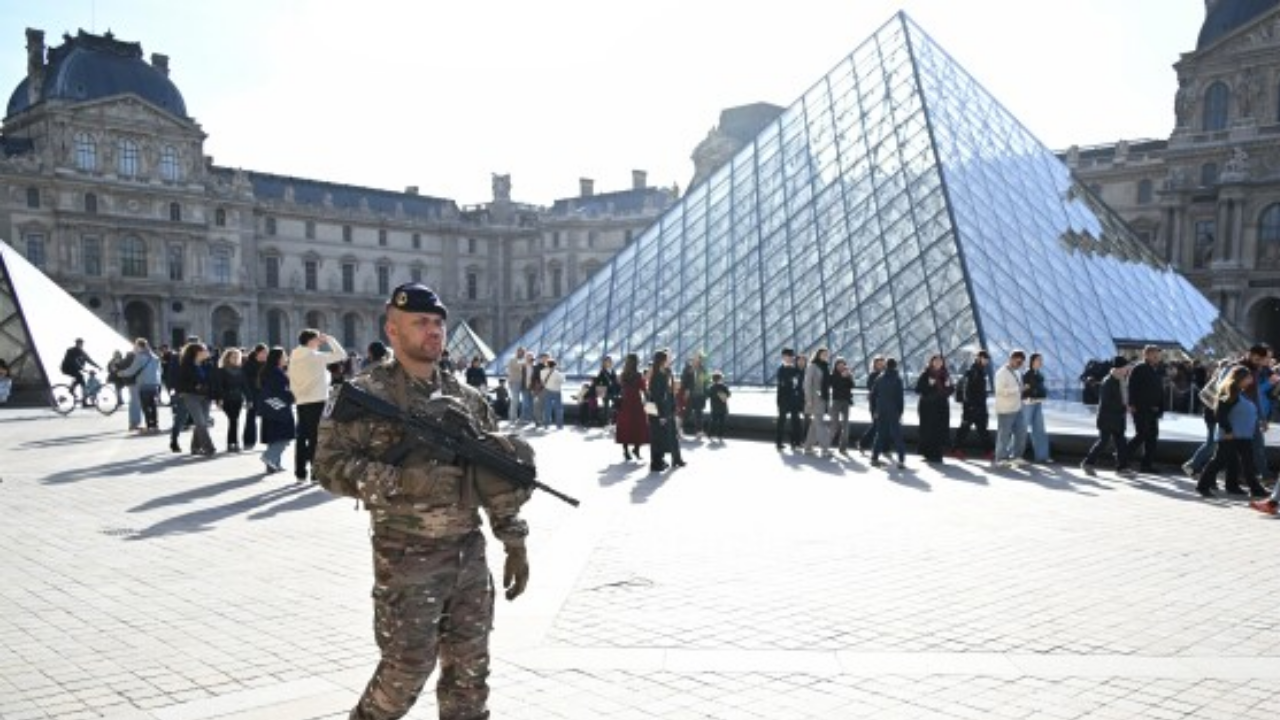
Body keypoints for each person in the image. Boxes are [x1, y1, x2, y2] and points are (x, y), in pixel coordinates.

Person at [314, 283, 532, 720]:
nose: (433, 332)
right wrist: (403, 480)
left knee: (469, 677)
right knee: (404, 673)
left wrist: (514, 540)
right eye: (420, 323)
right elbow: (327, 467)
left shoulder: (467, 400)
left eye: (437, 323)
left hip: (468, 557)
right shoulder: (365, 395)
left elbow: (493, 475)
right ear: (393, 331)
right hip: (406, 559)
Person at [1198, 365, 1267, 498]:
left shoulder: (1240, 392)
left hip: (1243, 435)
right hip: (1231, 435)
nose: (1251, 380)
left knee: (1246, 462)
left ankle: (1253, 488)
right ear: (1240, 378)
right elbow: (1221, 413)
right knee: (1219, 460)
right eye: (1248, 377)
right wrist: (1228, 430)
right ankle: (1202, 486)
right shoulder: (1230, 391)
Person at [288, 329, 346, 482]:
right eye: (318, 340)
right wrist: (330, 339)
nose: (320, 343)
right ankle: (315, 472)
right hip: (318, 400)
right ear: (311, 341)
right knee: (316, 438)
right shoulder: (315, 357)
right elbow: (341, 354)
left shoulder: (294, 356)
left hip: (301, 401)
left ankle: (300, 472)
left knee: (301, 437)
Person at [1081, 357, 1134, 477]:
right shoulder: (1108, 382)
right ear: (1119, 369)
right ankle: (1088, 462)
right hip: (1107, 418)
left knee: (1121, 442)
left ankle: (1122, 467)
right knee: (1103, 442)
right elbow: (1106, 402)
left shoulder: (1120, 380)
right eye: (1126, 368)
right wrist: (1123, 407)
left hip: (1118, 418)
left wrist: (1125, 407)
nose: (1127, 371)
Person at [1125, 345, 1164, 473]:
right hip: (1141, 408)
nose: (1157, 357)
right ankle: (1122, 456)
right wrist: (1131, 404)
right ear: (1146, 355)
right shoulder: (1139, 368)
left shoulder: (1155, 369)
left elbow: (1159, 390)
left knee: (1152, 437)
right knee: (1142, 434)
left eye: (1158, 355)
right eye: (1154, 355)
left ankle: (1146, 465)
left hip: (1153, 409)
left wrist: (1161, 407)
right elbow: (1131, 387)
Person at [175, 342, 216, 457]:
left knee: (203, 422)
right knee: (201, 422)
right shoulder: (185, 365)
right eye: (204, 350)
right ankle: (209, 448)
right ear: (197, 353)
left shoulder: (208, 364)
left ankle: (195, 447)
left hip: (206, 396)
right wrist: (194, 386)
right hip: (191, 396)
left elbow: (213, 379)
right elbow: (180, 383)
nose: (207, 352)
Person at [258, 347, 294, 474]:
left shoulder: (268, 370)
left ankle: (274, 465)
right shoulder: (276, 373)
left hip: (270, 407)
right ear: (278, 358)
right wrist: (292, 396)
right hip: (279, 407)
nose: (286, 358)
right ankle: (269, 456)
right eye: (284, 356)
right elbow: (281, 391)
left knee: (274, 436)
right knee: (285, 435)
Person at [649, 349, 686, 472]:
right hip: (659, 411)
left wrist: (674, 406)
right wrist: (661, 415)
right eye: (667, 359)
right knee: (658, 437)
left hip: (667, 408)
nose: (669, 360)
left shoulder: (666, 373)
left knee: (671, 435)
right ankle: (657, 462)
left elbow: (670, 392)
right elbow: (658, 397)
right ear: (662, 361)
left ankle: (675, 459)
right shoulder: (656, 376)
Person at [951, 350, 993, 460]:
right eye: (984, 359)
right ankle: (956, 449)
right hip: (972, 406)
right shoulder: (972, 371)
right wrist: (970, 405)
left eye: (987, 359)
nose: (986, 361)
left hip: (978, 405)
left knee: (981, 429)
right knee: (965, 429)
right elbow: (968, 390)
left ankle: (988, 451)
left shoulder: (980, 371)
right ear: (979, 358)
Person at [914, 354, 953, 463]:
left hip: (941, 406)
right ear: (931, 362)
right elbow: (918, 389)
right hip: (928, 406)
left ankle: (938, 453)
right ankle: (928, 453)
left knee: (940, 429)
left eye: (940, 361)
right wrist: (929, 385)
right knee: (928, 429)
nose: (938, 363)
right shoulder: (925, 374)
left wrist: (948, 388)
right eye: (936, 361)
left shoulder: (945, 374)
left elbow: (951, 389)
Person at [118, 339, 162, 433]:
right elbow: (159, 372)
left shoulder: (140, 357)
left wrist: (121, 373)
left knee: (146, 406)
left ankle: (149, 426)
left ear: (139, 346)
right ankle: (155, 425)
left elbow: (132, 370)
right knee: (153, 405)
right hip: (154, 384)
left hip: (144, 384)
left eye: (136, 346)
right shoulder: (154, 357)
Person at [870, 357, 906, 469]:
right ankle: (901, 460)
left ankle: (874, 457)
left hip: (881, 410)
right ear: (896, 366)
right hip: (893, 410)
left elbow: (873, 395)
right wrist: (900, 412)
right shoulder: (897, 379)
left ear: (886, 365)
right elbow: (900, 398)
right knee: (897, 436)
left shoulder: (879, 378)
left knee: (880, 435)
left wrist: (875, 409)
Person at [992, 350, 1027, 467]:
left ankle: (1017, 456)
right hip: (1005, 409)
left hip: (1017, 408)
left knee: (1021, 433)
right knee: (1004, 435)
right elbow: (1000, 391)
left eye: (1021, 363)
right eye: (1018, 362)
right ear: (1011, 359)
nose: (1020, 365)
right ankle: (1001, 458)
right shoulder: (1001, 373)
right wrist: (1018, 389)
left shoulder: (1017, 372)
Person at [615, 352, 650, 462]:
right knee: (639, 425)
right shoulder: (638, 375)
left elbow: (620, 387)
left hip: (625, 403)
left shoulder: (623, 374)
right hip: (636, 403)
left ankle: (626, 451)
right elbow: (643, 389)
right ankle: (636, 449)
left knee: (625, 426)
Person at [1020, 353, 1052, 463]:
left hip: (1037, 402)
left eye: (1041, 360)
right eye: (1039, 360)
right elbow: (1024, 389)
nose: (1041, 362)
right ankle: (1014, 454)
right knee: (1022, 429)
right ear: (1032, 361)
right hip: (1028, 403)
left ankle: (1042, 456)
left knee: (1039, 429)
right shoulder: (1027, 374)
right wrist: (1026, 398)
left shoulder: (1039, 374)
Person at [213, 348, 247, 453]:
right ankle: (233, 443)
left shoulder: (241, 370)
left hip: (238, 399)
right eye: (233, 356)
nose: (236, 358)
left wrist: (249, 398)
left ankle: (232, 443)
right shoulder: (221, 371)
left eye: (237, 356)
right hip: (226, 399)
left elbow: (245, 386)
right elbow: (218, 386)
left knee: (234, 420)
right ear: (227, 358)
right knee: (233, 420)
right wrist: (219, 399)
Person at [803, 347, 833, 456]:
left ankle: (807, 447)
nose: (825, 356)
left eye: (827, 354)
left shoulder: (826, 367)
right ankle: (825, 448)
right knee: (819, 423)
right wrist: (809, 400)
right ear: (818, 355)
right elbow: (807, 384)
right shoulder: (812, 366)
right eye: (823, 354)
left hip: (823, 399)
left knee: (815, 424)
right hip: (814, 399)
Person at [774, 348, 803, 451]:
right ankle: (778, 443)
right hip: (783, 399)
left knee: (796, 421)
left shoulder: (796, 369)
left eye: (791, 357)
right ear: (783, 357)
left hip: (794, 399)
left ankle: (795, 442)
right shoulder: (780, 369)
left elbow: (799, 383)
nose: (790, 358)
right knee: (781, 421)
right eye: (788, 356)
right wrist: (791, 380)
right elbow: (782, 383)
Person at [241, 344, 268, 450]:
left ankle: (266, 439)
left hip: (265, 394)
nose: (266, 355)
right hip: (252, 394)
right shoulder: (248, 364)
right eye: (264, 353)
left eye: (267, 353)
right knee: (251, 417)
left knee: (267, 417)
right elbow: (245, 383)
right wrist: (248, 397)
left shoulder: (267, 364)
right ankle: (249, 440)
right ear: (257, 353)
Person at [828, 357, 855, 454]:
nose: (841, 366)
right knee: (834, 425)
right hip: (836, 401)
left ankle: (843, 447)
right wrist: (841, 377)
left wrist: (848, 377)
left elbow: (852, 385)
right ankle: (826, 445)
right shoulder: (832, 375)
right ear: (835, 366)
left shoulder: (848, 374)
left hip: (846, 402)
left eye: (842, 364)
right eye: (839, 365)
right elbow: (833, 385)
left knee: (846, 425)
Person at [859, 356, 885, 454]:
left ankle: (882, 447)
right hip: (875, 404)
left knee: (880, 425)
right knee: (876, 425)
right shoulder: (873, 375)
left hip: (884, 404)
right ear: (874, 364)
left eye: (882, 363)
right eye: (879, 363)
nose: (881, 365)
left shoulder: (886, 374)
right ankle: (863, 443)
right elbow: (870, 388)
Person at [680, 352, 710, 438]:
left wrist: (706, 394)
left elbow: (706, 381)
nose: (697, 359)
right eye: (696, 357)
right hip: (690, 394)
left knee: (699, 413)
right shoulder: (688, 368)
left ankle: (699, 431)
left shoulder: (703, 369)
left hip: (700, 394)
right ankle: (679, 428)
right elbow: (683, 380)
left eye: (699, 358)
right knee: (687, 413)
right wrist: (685, 390)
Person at [594, 356, 619, 428]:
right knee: (605, 407)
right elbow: (598, 381)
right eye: (607, 361)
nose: (608, 362)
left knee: (614, 405)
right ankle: (605, 422)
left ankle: (612, 420)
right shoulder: (602, 371)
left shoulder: (613, 370)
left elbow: (615, 380)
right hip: (605, 390)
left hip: (612, 390)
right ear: (604, 363)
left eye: (609, 361)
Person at [540, 359, 565, 429]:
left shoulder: (542, 372)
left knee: (547, 408)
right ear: (555, 365)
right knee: (558, 409)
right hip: (557, 391)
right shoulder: (557, 373)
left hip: (547, 391)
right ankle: (559, 425)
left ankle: (546, 424)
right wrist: (561, 371)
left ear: (547, 365)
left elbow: (542, 380)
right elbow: (563, 381)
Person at [708, 371, 731, 441]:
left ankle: (710, 434)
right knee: (722, 422)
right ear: (720, 379)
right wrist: (722, 395)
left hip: (714, 408)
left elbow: (709, 395)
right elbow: (729, 395)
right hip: (722, 408)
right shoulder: (724, 387)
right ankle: (720, 435)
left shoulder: (711, 387)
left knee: (713, 422)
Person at [505, 347, 526, 423]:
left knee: (525, 401)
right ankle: (512, 417)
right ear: (517, 352)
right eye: (520, 351)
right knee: (515, 400)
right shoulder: (513, 360)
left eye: (522, 352)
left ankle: (522, 417)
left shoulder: (524, 360)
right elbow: (519, 367)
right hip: (515, 381)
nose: (521, 353)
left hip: (524, 382)